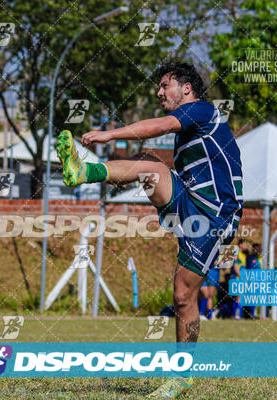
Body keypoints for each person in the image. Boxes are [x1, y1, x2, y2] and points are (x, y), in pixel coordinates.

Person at [55, 62, 243, 398]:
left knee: (183, 295)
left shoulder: (201, 110)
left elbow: (159, 126)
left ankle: (181, 375)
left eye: (164, 85)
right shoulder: (191, 128)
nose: (158, 93)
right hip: (189, 204)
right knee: (146, 164)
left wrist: (109, 133)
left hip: (215, 215)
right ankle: (82, 170)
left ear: (186, 88)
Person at [231, 238, 249, 320]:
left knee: (240, 296)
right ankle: (237, 315)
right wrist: (241, 277)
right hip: (238, 277)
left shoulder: (243, 254)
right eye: (245, 244)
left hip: (241, 277)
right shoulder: (236, 252)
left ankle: (237, 314)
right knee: (239, 296)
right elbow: (235, 266)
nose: (246, 246)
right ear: (240, 245)